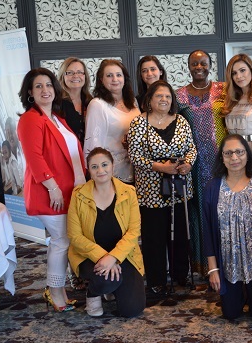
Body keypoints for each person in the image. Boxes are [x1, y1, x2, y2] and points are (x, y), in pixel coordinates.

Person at [17, 68, 86, 312]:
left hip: (71, 190)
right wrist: (53, 187)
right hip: (52, 192)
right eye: (38, 86)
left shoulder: (57, 119)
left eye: (48, 85)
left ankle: (60, 290)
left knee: (65, 240)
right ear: (30, 92)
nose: (45, 90)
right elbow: (34, 157)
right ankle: (54, 291)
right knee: (60, 240)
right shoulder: (30, 119)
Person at [127, 80, 197, 295]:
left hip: (179, 186)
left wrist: (188, 164)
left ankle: (180, 274)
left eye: (167, 96)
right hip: (151, 191)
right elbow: (134, 156)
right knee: (154, 236)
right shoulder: (139, 123)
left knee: (181, 234)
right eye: (159, 96)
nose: (164, 100)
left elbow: (192, 148)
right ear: (149, 99)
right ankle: (156, 279)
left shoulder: (182, 121)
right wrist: (159, 167)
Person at [67, 147, 146, 318]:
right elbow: (75, 236)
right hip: (89, 256)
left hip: (123, 254)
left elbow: (134, 232)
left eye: (104, 165)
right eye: (94, 167)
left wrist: (114, 257)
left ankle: (112, 289)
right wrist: (104, 257)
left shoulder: (128, 192)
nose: (100, 170)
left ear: (113, 166)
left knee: (132, 310)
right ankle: (94, 293)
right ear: (89, 170)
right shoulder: (78, 195)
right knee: (108, 279)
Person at [202, 134, 252, 320]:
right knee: (231, 314)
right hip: (228, 264)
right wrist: (213, 269)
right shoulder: (212, 187)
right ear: (222, 158)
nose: (234, 158)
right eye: (228, 153)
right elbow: (207, 231)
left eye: (239, 152)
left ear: (247, 155)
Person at [175, 50, 227, 275]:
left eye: (203, 63)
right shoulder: (179, 96)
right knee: (198, 214)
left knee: (223, 210)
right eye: (194, 63)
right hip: (193, 164)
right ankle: (204, 266)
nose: (199, 67)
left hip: (223, 161)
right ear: (188, 66)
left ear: (210, 65)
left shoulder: (223, 90)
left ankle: (226, 263)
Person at [84, 59, 140, 184]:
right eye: (109, 75)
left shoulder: (133, 102)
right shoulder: (97, 105)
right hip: (112, 173)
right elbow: (93, 144)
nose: (115, 79)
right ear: (101, 80)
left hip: (137, 170)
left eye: (118, 75)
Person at [57, 57, 93, 144]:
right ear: (63, 76)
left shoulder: (91, 102)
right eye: (70, 73)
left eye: (80, 72)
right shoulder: (56, 103)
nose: (75, 76)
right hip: (67, 154)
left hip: (90, 153)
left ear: (85, 76)